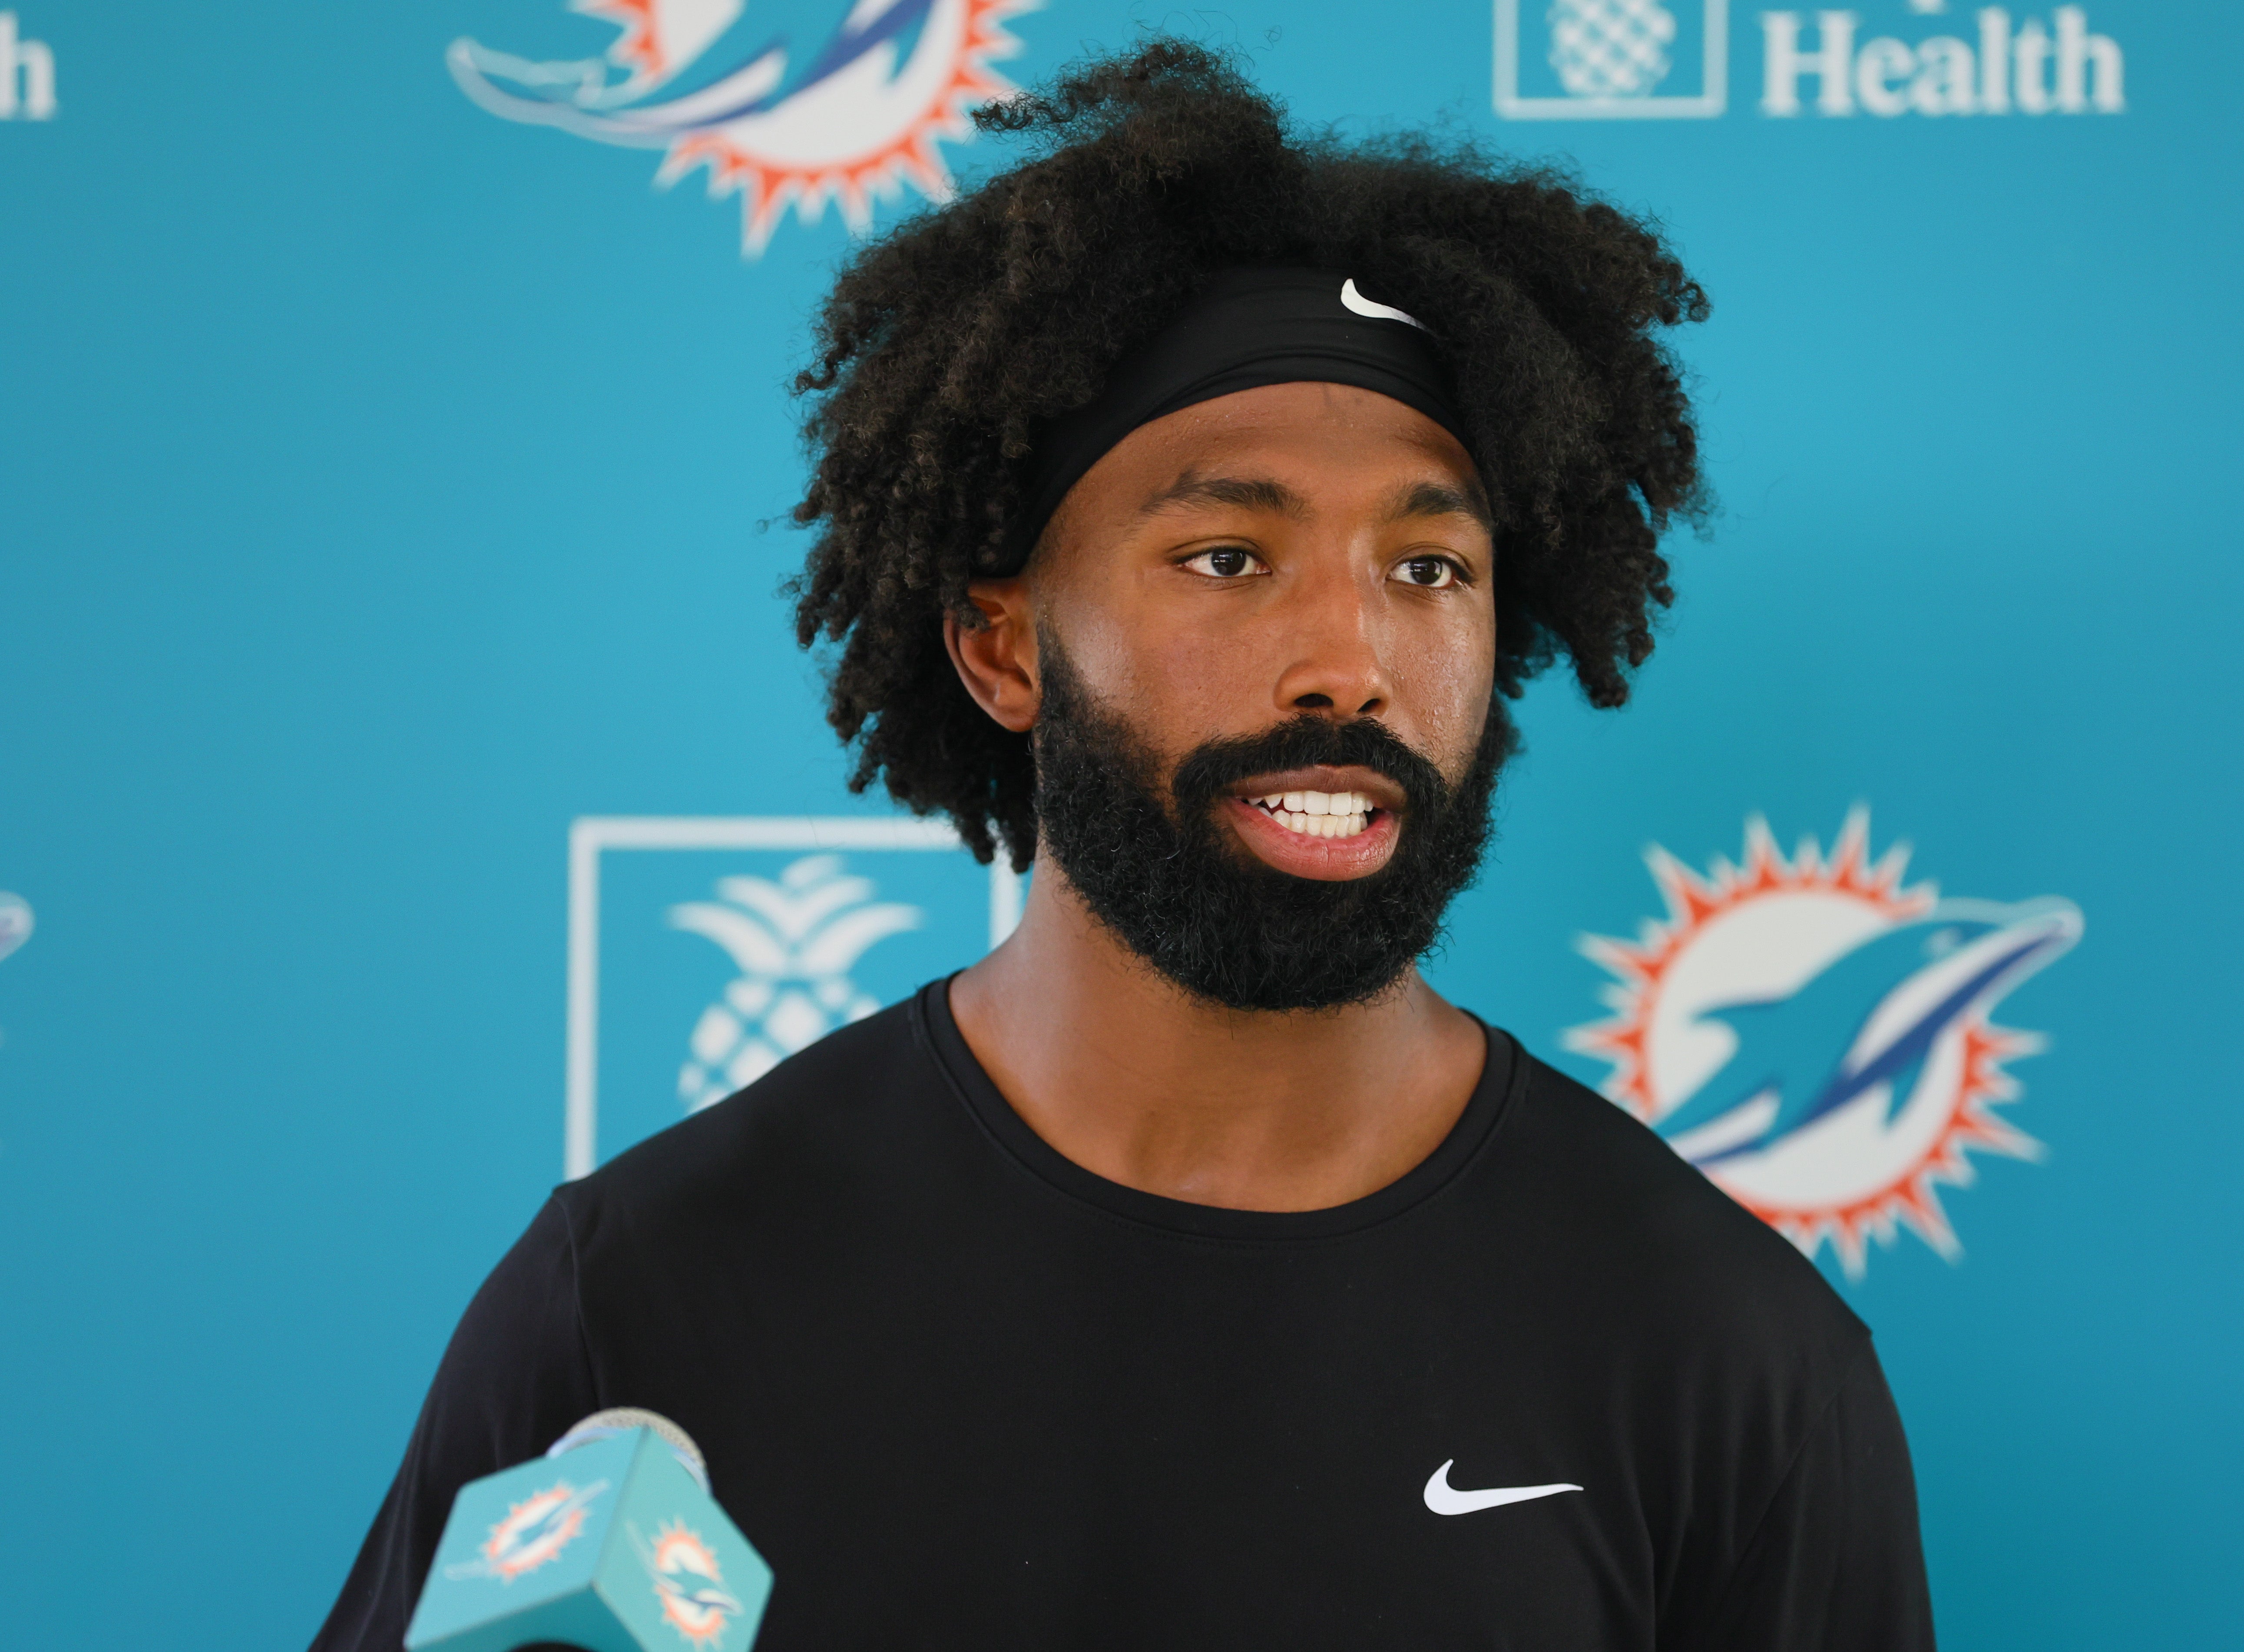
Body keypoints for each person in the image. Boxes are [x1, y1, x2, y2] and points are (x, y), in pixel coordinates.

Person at [313, 41, 1934, 1652]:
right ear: (1003, 649)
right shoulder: (641, 1300)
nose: (1349, 659)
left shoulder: (1730, 1358)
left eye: (1430, 568)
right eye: (1228, 555)